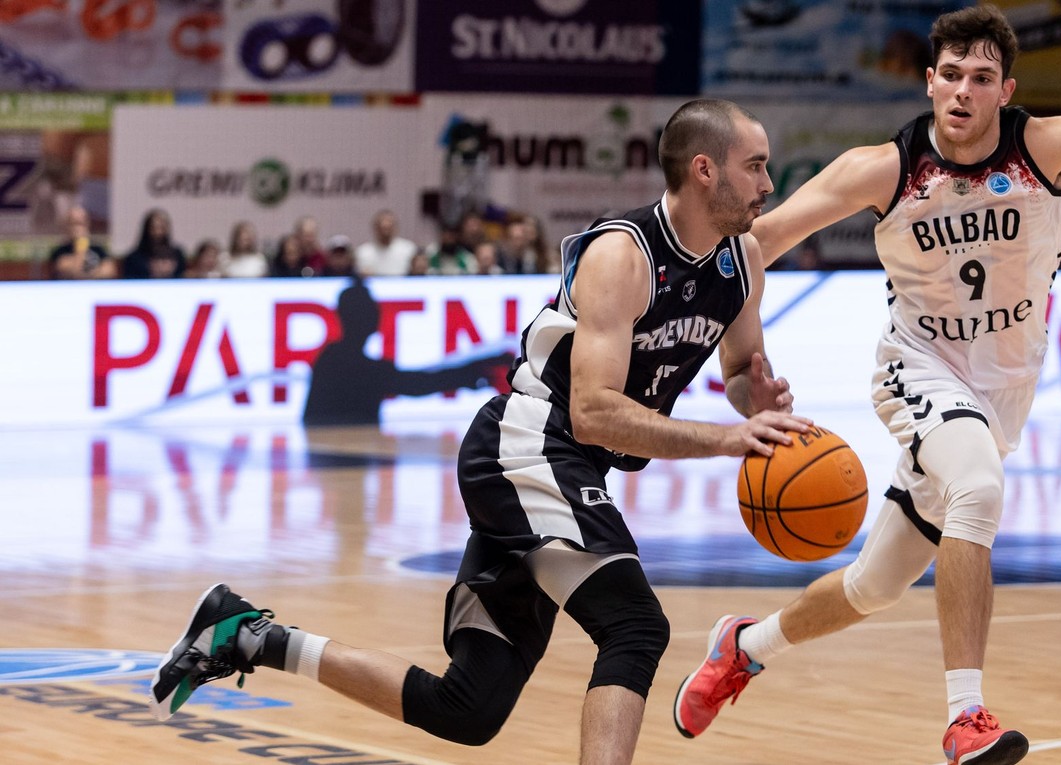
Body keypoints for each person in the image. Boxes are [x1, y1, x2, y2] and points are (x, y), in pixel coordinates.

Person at [671, 6, 1061, 765]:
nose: (963, 92)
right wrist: (741, 364)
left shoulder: (1045, 148)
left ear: (1006, 89)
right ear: (929, 81)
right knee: (978, 484)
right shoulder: (883, 167)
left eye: (981, 78)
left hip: (1004, 389)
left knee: (875, 585)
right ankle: (965, 716)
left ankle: (742, 647)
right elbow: (749, 247)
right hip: (919, 368)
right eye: (950, 75)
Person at [148, 98, 809, 765]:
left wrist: (757, 396)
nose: (767, 184)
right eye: (754, 166)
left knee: (467, 708)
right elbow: (594, 413)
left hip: (559, 467)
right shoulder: (621, 255)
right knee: (634, 627)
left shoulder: (740, 262)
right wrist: (723, 439)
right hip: (529, 445)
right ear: (704, 170)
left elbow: (736, 367)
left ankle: (249, 635)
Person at [301, 279, 514, 426]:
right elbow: (416, 383)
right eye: (370, 309)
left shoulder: (332, 357)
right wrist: (472, 372)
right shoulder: (353, 365)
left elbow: (415, 379)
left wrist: (474, 368)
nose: (376, 313)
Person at [48, 205, 115, 279]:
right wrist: (81, 244)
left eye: (81, 223)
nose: (78, 228)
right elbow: (76, 272)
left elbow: (110, 271)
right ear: (67, 226)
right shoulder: (60, 252)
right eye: (74, 224)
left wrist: (90, 274)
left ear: (87, 224)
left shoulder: (98, 249)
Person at [120, 208, 186, 279]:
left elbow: (183, 279)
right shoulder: (133, 259)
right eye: (154, 228)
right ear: (147, 229)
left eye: (162, 228)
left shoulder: (177, 255)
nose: (158, 232)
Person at [355, 208, 419, 277]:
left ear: (395, 228)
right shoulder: (363, 252)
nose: (385, 232)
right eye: (382, 228)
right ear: (375, 228)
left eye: (389, 228)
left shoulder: (409, 250)